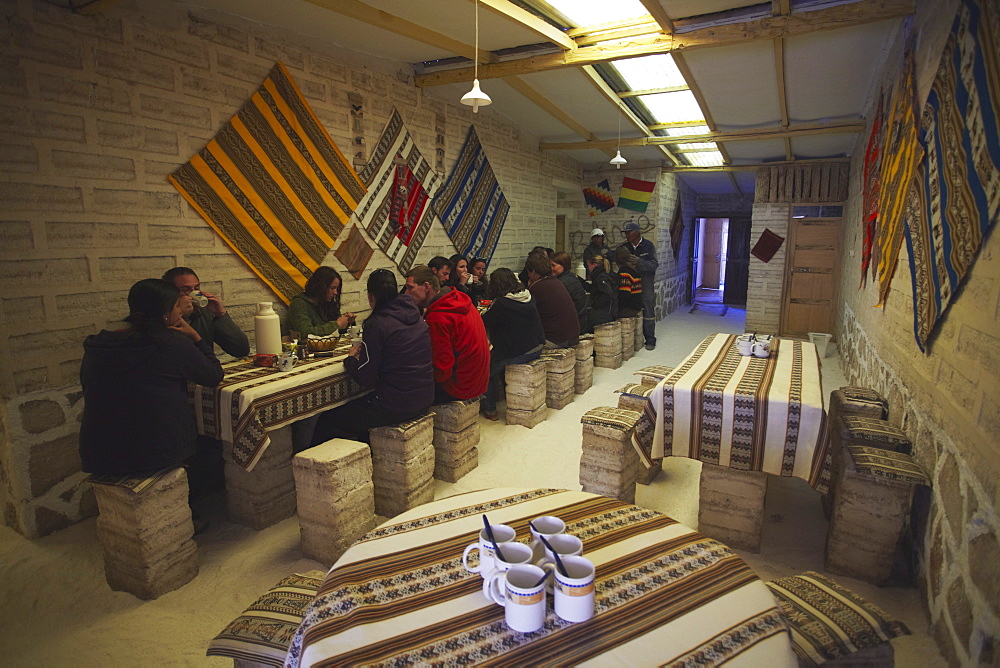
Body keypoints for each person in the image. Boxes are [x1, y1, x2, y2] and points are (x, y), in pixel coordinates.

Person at [79, 279, 224, 503]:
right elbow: (213, 376)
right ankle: (190, 508)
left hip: (100, 448)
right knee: (214, 445)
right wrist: (195, 337)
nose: (180, 311)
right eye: (177, 306)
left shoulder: (99, 345)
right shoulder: (171, 345)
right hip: (155, 451)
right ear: (165, 313)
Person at [309, 269, 434, 445]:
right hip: (425, 396)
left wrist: (351, 360)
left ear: (371, 296)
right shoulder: (416, 315)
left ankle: (310, 469)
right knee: (360, 415)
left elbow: (366, 378)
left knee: (327, 421)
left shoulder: (378, 324)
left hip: (398, 405)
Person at [405, 264, 489, 403]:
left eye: (410, 288)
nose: (406, 294)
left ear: (426, 286)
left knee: (405, 393)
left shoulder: (438, 317)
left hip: (461, 387)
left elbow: (442, 371)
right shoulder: (458, 298)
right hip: (479, 379)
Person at [479, 268, 544, 420]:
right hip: (536, 346)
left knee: (485, 372)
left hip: (520, 352)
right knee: (499, 362)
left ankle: (490, 411)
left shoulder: (502, 304)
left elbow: (484, 322)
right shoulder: (528, 296)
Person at [163, 267, 250, 357]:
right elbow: (175, 354)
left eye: (196, 288)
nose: (194, 293)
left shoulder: (204, 313)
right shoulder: (163, 316)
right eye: (185, 289)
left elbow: (241, 350)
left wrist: (221, 314)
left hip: (204, 367)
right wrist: (181, 314)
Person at [524, 252, 579, 349]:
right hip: (573, 336)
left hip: (556, 341)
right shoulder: (557, 281)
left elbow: (528, 316)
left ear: (533, 271)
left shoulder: (537, 287)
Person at [618, 221, 659, 349]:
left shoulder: (648, 246)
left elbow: (654, 265)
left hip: (645, 282)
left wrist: (640, 262)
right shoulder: (625, 247)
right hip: (631, 283)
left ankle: (650, 339)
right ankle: (634, 340)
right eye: (625, 233)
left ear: (637, 232)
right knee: (629, 306)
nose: (627, 235)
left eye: (629, 232)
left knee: (648, 308)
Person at [287, 266, 356, 339]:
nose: (335, 292)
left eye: (337, 289)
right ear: (321, 286)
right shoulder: (299, 304)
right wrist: (337, 325)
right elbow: (305, 333)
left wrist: (347, 322)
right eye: (332, 288)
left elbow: (337, 332)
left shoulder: (328, 302)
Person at [550, 251, 589, 335]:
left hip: (572, 328)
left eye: (553, 265)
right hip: (580, 323)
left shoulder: (561, 283)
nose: (551, 268)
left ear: (563, 266)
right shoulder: (572, 277)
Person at [586, 254, 617, 330]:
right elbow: (594, 289)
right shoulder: (601, 276)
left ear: (594, 265)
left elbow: (608, 294)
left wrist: (597, 306)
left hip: (605, 312)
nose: (588, 268)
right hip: (607, 311)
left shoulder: (601, 278)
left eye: (588, 266)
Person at [615, 245, 644, 318]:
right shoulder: (633, 270)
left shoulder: (624, 273)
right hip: (636, 306)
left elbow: (624, 294)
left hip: (630, 308)